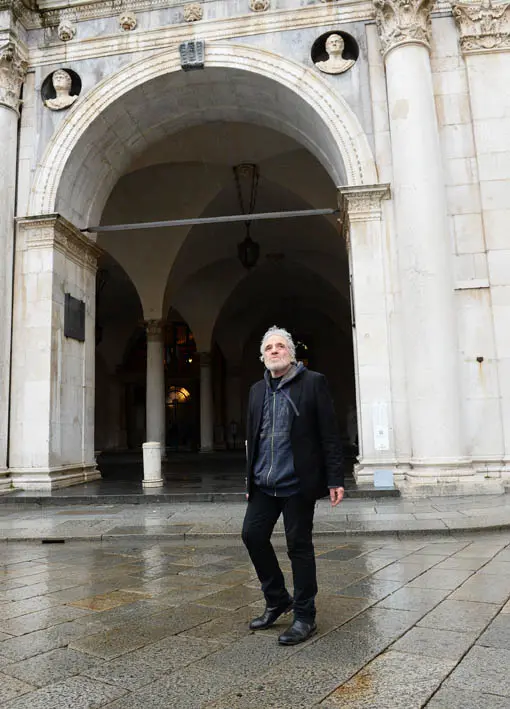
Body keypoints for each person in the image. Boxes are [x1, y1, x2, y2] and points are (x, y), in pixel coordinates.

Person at [242, 326, 345, 646]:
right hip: (263, 483)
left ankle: (304, 615)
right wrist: (249, 479)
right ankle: (277, 599)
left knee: (298, 546)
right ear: (263, 355)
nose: (274, 350)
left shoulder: (313, 383)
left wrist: (335, 478)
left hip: (297, 483)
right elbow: (253, 438)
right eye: (269, 347)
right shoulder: (257, 390)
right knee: (252, 535)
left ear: (291, 353)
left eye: (280, 346)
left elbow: (329, 434)